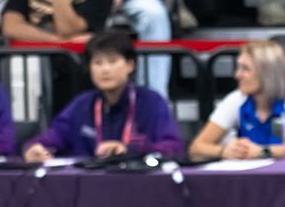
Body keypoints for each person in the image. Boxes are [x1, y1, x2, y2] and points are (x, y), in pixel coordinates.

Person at [20, 27, 178, 159]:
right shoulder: (82, 104)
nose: (105, 69)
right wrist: (33, 148)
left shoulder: (152, 102)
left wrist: (131, 149)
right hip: (88, 183)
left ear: (130, 65)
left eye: (112, 61)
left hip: (138, 181)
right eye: (97, 62)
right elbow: (52, 137)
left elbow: (173, 147)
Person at [190, 37, 285, 160]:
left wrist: (264, 151)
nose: (237, 75)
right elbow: (196, 148)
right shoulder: (237, 99)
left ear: (267, 73)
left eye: (245, 69)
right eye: (238, 68)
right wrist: (224, 151)